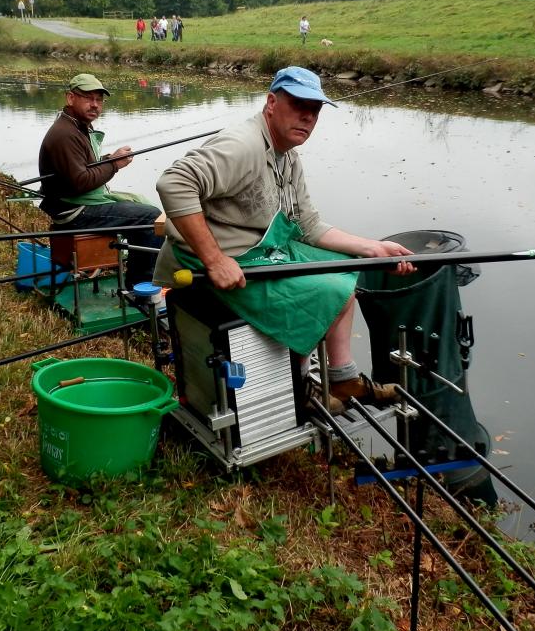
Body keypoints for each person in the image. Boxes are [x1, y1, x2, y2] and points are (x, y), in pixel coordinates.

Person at [154, 66, 413, 409]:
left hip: (263, 249)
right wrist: (215, 260)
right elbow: (174, 183)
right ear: (272, 103)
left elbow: (307, 224)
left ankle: (342, 378)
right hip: (220, 260)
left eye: (315, 110)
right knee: (329, 288)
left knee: (348, 271)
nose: (307, 117)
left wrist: (372, 248)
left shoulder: (287, 155)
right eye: (298, 105)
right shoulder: (244, 144)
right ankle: (300, 386)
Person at [37, 73, 163, 286]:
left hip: (77, 204)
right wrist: (113, 164)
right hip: (74, 211)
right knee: (149, 217)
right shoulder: (65, 134)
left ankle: (138, 277)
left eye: (99, 100)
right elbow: (80, 181)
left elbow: (83, 168)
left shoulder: (76, 125)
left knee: (141, 211)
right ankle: (141, 287)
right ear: (70, 98)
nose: (95, 105)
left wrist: (108, 159)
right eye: (88, 98)